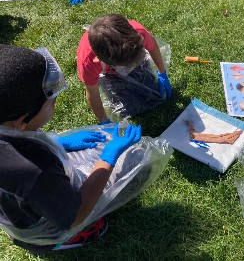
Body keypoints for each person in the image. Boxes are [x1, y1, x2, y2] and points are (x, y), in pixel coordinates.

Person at [0, 44, 144, 254]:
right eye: (52, 102)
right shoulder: (36, 170)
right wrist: (109, 155)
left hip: (14, 210)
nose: (55, 104)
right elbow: (76, 213)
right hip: (43, 225)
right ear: (22, 121)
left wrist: (60, 142)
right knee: (134, 159)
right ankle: (62, 239)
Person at [77, 13, 173, 124]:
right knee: (129, 106)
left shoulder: (138, 34)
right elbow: (92, 93)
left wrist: (162, 73)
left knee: (153, 92)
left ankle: (135, 64)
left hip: (130, 57)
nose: (129, 69)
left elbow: (153, 47)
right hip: (109, 72)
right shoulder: (88, 62)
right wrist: (103, 120)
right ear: (99, 59)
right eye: (125, 67)